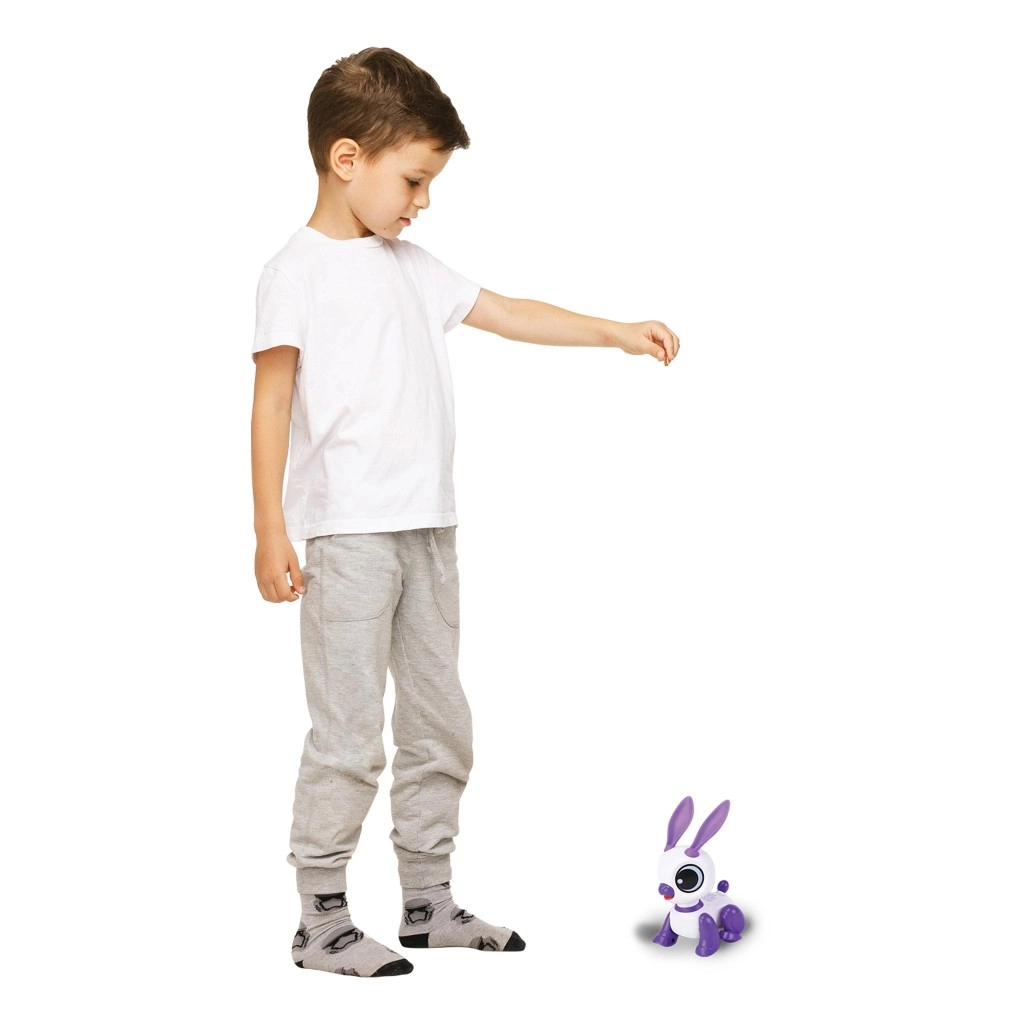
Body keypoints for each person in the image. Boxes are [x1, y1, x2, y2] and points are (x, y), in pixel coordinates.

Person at [251, 46, 679, 979]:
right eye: (414, 180)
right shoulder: (295, 273)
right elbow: (272, 402)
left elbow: (508, 311)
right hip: (349, 537)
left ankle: (428, 900)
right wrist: (270, 529)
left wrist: (612, 331)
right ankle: (320, 917)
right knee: (349, 733)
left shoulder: (413, 266)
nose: (423, 201)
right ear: (347, 159)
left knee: (441, 721)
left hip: (430, 531)